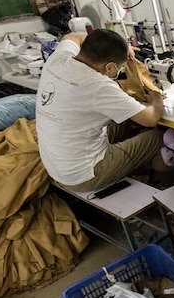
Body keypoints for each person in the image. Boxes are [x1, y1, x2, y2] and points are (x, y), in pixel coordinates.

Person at [36, 29, 164, 192]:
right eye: (120, 67)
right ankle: (165, 186)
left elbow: (72, 36)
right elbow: (151, 118)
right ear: (110, 67)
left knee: (126, 123)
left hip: (57, 165)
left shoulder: (58, 58)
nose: (119, 70)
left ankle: (135, 166)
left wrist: (124, 47)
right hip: (83, 175)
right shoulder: (99, 85)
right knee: (157, 136)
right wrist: (157, 97)